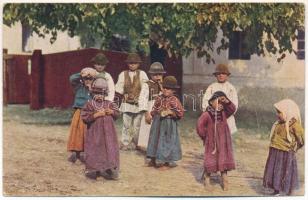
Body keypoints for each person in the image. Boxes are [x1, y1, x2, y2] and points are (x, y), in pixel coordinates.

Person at [81, 77, 120, 180]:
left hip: (108, 134)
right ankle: (94, 169)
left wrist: (111, 112)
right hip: (95, 133)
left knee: (108, 149)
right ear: (93, 93)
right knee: (95, 149)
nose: (99, 96)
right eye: (97, 93)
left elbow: (117, 113)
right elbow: (85, 117)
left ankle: (108, 167)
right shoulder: (89, 104)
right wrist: (96, 114)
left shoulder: (109, 104)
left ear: (105, 94)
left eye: (101, 94)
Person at [263, 99, 304, 196]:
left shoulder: (294, 124)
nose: (277, 114)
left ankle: (288, 190)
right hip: (275, 151)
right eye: (277, 112)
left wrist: (296, 147)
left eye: (279, 112)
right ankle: (276, 189)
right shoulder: (278, 124)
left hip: (286, 152)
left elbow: (302, 138)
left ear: (287, 111)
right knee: (275, 170)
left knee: (286, 171)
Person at [196, 91, 236, 191]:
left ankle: (225, 180)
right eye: (218, 102)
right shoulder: (207, 114)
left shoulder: (223, 113)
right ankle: (207, 179)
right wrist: (205, 136)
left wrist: (226, 101)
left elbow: (232, 109)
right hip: (212, 143)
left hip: (223, 141)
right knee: (211, 160)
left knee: (223, 160)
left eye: (222, 103)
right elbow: (199, 126)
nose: (220, 105)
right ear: (211, 102)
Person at [146, 76, 184, 169]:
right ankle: (153, 158)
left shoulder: (174, 100)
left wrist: (171, 112)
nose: (166, 90)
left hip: (169, 124)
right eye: (165, 88)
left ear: (173, 90)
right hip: (157, 123)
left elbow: (180, 112)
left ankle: (165, 161)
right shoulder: (159, 98)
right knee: (155, 139)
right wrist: (152, 114)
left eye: (169, 89)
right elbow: (154, 108)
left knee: (167, 141)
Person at [115, 53, 149, 150]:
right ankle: (125, 142)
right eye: (130, 63)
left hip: (138, 104)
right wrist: (123, 93)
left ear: (138, 64)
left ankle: (136, 142)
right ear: (127, 64)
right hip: (127, 104)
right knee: (126, 124)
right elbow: (118, 87)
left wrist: (141, 97)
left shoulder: (142, 74)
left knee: (137, 125)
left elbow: (146, 87)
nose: (132, 65)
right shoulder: (123, 74)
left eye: (134, 63)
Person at [67, 67, 98, 163]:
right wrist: (82, 73)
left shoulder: (96, 89)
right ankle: (74, 151)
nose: (88, 80)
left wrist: (92, 89)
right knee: (77, 132)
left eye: (90, 78)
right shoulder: (79, 87)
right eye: (86, 79)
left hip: (90, 113)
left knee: (87, 132)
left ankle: (84, 152)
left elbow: (97, 99)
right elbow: (72, 78)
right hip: (79, 112)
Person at [201, 64, 238, 134]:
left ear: (227, 75)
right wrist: (212, 109)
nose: (221, 75)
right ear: (216, 75)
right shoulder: (211, 87)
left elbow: (235, 106)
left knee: (226, 141)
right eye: (218, 74)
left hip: (228, 120)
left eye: (223, 73)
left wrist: (224, 114)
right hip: (214, 118)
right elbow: (205, 103)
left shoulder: (231, 88)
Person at [137, 62, 166, 151]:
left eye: (159, 74)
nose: (157, 77)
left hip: (159, 109)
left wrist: (161, 86)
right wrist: (146, 114)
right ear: (151, 75)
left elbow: (164, 96)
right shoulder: (147, 85)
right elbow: (142, 99)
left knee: (158, 128)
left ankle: (157, 146)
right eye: (155, 75)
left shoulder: (163, 85)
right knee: (148, 127)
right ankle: (148, 147)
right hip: (150, 108)